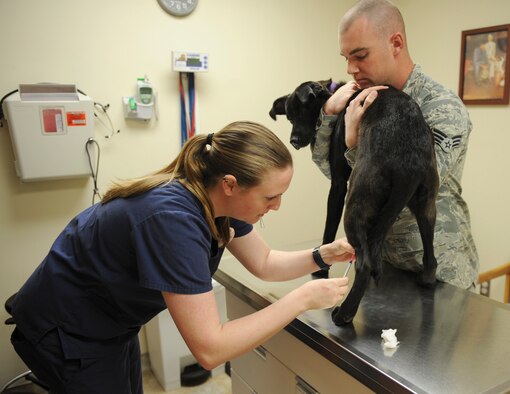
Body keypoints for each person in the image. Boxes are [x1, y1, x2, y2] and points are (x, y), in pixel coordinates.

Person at [10, 121, 354, 393]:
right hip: (66, 330)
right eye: (271, 197)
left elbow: (264, 263)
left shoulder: (216, 198)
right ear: (231, 183)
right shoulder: (172, 221)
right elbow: (210, 349)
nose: (276, 206)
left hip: (112, 325)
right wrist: (302, 299)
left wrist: (322, 255)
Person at [311, 0, 478, 289]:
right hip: (380, 267)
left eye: (360, 55)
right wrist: (328, 116)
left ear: (396, 43)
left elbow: (407, 192)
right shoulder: (367, 101)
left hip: (437, 274)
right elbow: (334, 174)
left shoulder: (440, 107)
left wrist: (353, 145)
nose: (351, 68)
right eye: (346, 57)